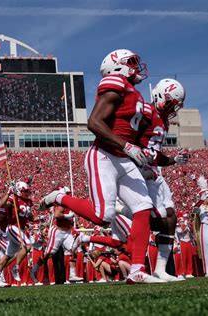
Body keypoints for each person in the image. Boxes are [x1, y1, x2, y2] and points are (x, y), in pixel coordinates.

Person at [39, 49, 162, 284]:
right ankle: (59, 197)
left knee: (144, 207)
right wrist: (127, 146)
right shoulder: (115, 83)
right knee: (102, 216)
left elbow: (131, 131)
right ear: (117, 67)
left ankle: (137, 269)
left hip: (125, 157)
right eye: (131, 63)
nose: (137, 67)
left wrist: (141, 156)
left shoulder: (134, 94)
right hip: (104, 155)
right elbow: (94, 123)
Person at [133, 78, 187, 282]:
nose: (173, 109)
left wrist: (173, 160)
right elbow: (127, 137)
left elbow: (155, 154)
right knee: (155, 218)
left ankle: (161, 269)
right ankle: (122, 210)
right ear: (160, 96)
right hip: (136, 172)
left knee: (171, 217)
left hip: (150, 172)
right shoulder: (144, 111)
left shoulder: (163, 121)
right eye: (172, 103)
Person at [30, 187, 83, 284]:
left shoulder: (68, 202)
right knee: (48, 254)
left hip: (67, 232)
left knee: (74, 249)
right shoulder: (60, 203)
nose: (69, 195)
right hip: (58, 231)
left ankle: (72, 275)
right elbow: (57, 215)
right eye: (68, 193)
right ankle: (35, 269)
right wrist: (68, 216)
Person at [0, 181, 36, 283]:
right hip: (13, 227)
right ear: (19, 191)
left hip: (21, 228)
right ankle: (16, 267)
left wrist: (36, 217)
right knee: (28, 245)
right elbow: (2, 205)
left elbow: (31, 217)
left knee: (7, 256)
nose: (27, 193)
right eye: (24, 191)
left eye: (28, 191)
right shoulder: (14, 198)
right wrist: (8, 193)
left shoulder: (28, 202)